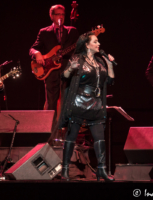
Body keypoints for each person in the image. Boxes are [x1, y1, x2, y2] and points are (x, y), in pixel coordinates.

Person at [57, 32, 115, 181]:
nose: (99, 44)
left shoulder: (100, 62)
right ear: (87, 45)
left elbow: (109, 81)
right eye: (95, 42)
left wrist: (109, 65)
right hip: (79, 102)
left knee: (99, 138)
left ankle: (101, 170)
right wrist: (71, 69)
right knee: (72, 136)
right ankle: (64, 170)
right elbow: (64, 76)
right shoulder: (77, 59)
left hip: (95, 104)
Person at [29, 4, 79, 135]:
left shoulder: (72, 31)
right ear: (51, 16)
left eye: (63, 14)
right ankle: (51, 136)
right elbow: (33, 48)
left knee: (67, 104)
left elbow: (77, 50)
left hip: (67, 72)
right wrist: (37, 54)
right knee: (51, 105)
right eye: (57, 14)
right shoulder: (44, 32)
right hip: (51, 72)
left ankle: (66, 137)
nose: (61, 17)